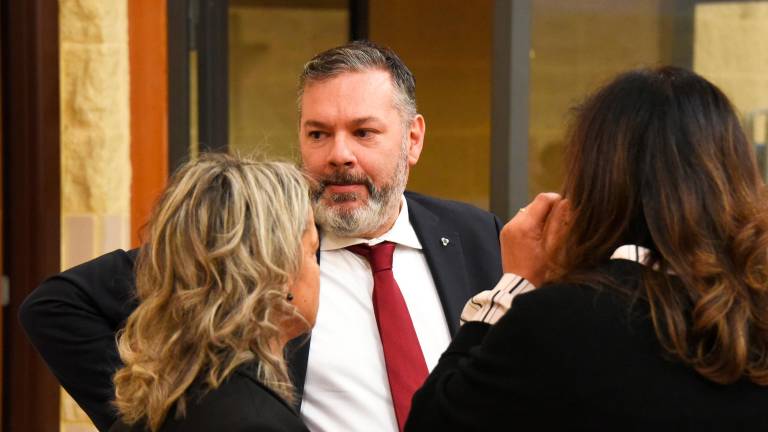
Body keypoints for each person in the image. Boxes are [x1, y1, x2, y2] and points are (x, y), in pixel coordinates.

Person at [19, 41, 503, 432]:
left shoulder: (473, 234)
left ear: (412, 139)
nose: (339, 155)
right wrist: (149, 417)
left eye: (363, 132)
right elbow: (57, 306)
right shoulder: (252, 242)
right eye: (318, 134)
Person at [405, 66, 768, 431]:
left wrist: (514, 283)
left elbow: (435, 422)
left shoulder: (563, 320)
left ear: (597, 181)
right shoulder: (754, 310)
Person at [110, 154, 317, 432]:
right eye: (313, 253)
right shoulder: (255, 422)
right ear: (278, 272)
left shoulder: (156, 403)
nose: (319, 271)